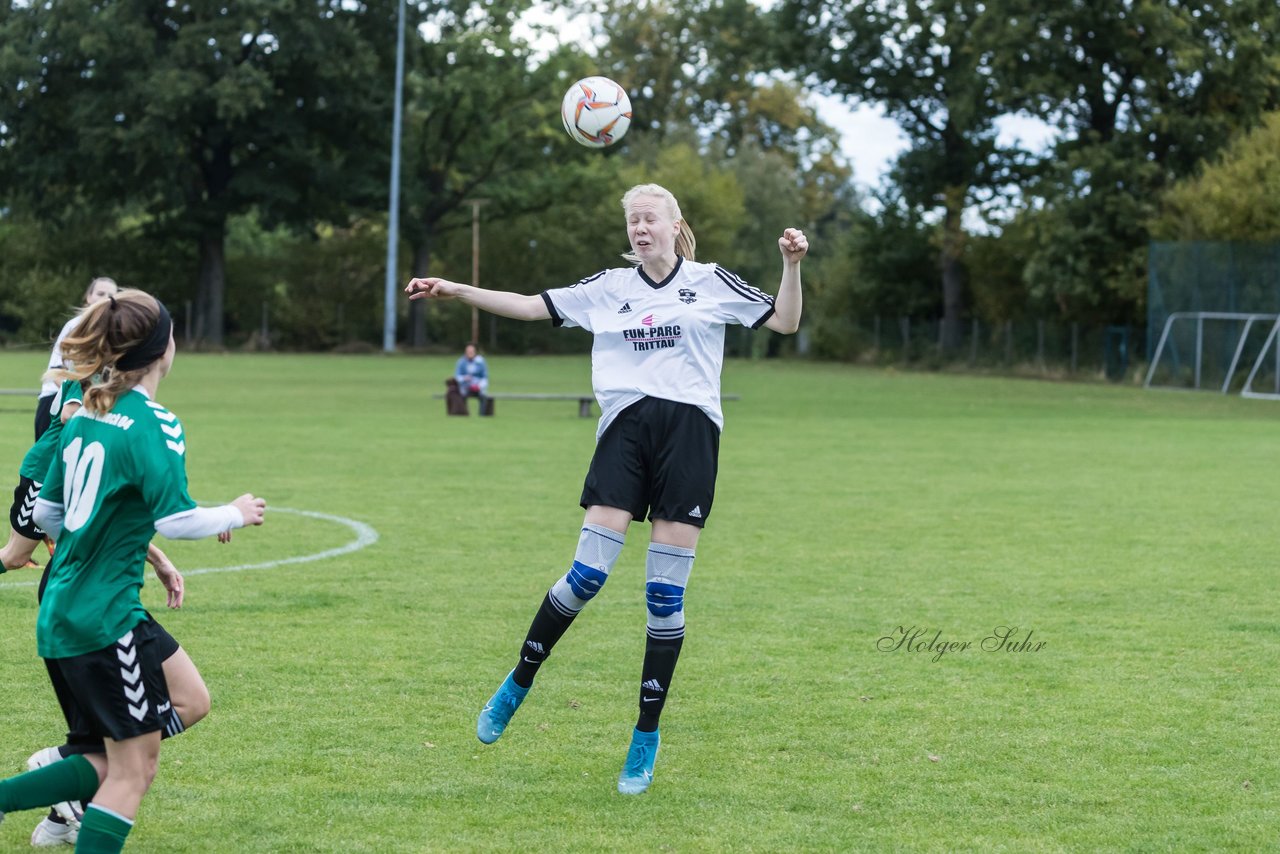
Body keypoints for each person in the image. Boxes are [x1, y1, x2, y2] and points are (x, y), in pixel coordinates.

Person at [405, 182, 806, 795]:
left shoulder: (711, 281)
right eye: (633, 221)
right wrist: (454, 288)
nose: (641, 228)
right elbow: (526, 305)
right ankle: (518, 681)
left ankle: (645, 736)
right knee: (587, 575)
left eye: (651, 219)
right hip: (626, 430)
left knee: (663, 598)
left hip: (691, 435)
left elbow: (784, 320)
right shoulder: (606, 290)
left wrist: (790, 265)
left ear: (677, 224)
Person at [0, 288, 266, 851]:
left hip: (65, 607)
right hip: (106, 617)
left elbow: (47, 513)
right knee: (131, 772)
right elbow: (176, 518)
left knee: (164, 719)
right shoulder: (156, 422)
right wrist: (235, 514)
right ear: (164, 348)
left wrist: (132, 543)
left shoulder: (85, 414)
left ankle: (58, 775)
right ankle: (66, 783)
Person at [35, 277, 120, 441]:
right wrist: (86, 394)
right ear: (88, 297)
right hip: (57, 399)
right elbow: (56, 374)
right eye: (100, 293)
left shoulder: (114, 331)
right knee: (48, 463)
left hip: (91, 403)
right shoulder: (77, 325)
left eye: (111, 295)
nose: (105, 298)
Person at [453, 343, 490, 413]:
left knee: (483, 396)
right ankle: (464, 413)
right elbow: (457, 376)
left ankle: (482, 414)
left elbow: (485, 377)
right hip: (465, 386)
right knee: (461, 395)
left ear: (475, 352)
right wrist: (464, 378)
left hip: (478, 386)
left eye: (471, 352)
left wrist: (479, 386)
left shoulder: (481, 362)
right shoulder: (461, 362)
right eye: (468, 352)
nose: (470, 353)